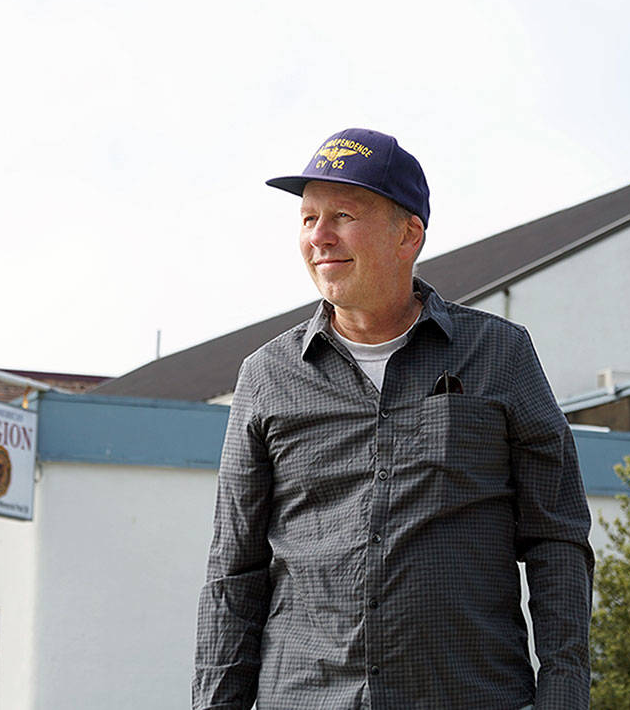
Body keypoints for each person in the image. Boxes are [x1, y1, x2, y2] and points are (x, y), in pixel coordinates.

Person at [193, 129, 593, 709]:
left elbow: (556, 538)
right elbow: (234, 571)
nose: (319, 237)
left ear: (409, 234)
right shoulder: (265, 377)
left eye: (343, 215)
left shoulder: (500, 356)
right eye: (308, 219)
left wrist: (562, 695)